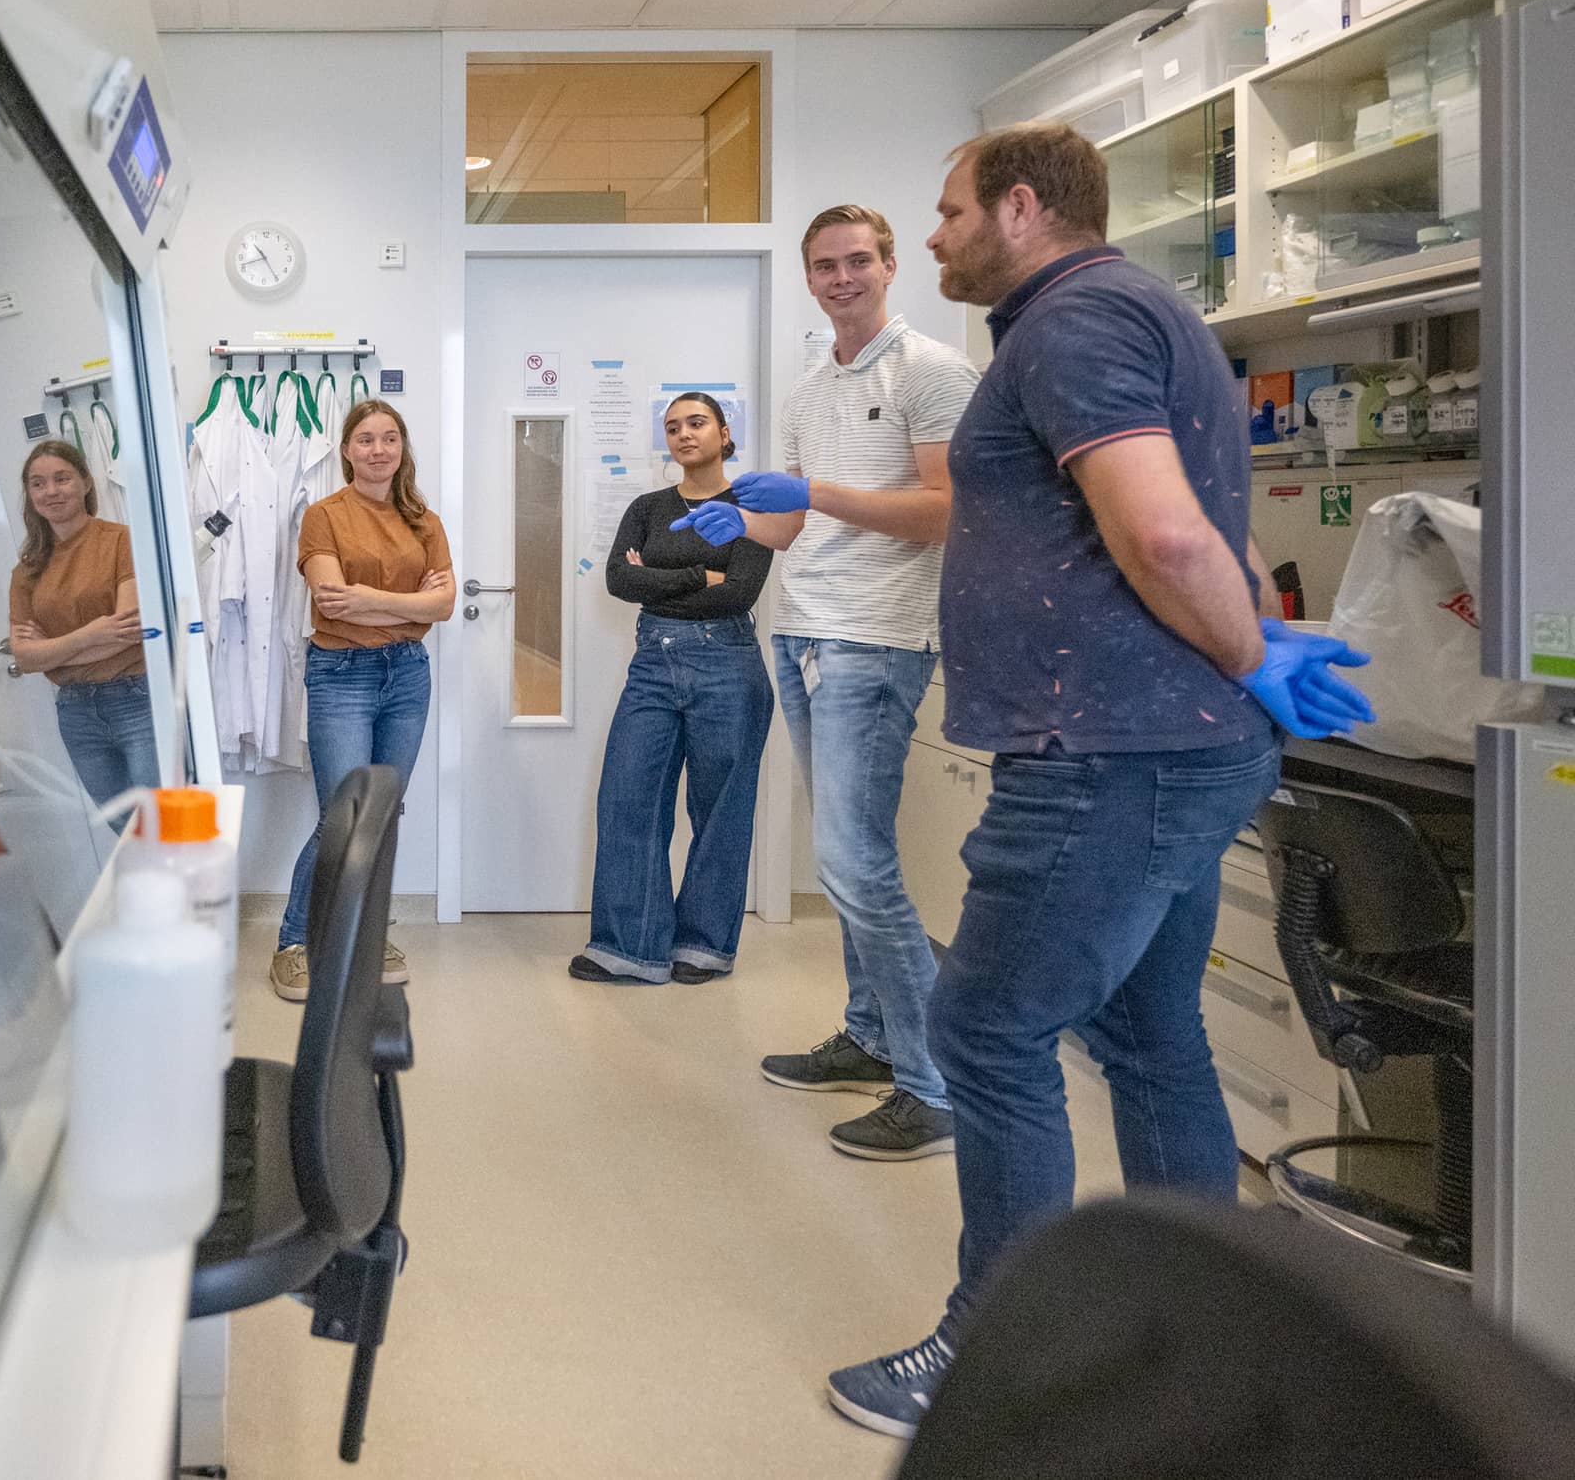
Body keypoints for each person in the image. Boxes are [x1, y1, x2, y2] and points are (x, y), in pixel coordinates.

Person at [820, 123, 1373, 1438]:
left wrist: (1246, 643)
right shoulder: (1140, 312)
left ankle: (1001, 1359)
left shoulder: (1069, 325)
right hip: (1170, 741)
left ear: (1019, 208)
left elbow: (1169, 529)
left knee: (989, 1028)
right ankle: (1215, 1331)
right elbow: (1208, 519)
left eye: (948, 211)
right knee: (1143, 1029)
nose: (936, 235)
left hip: (1107, 757)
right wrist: (1255, 649)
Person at [682, 203, 985, 1161]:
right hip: (803, 631)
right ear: (808, 277)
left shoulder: (932, 371)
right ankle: (869, 1036)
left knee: (857, 863)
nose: (841, 277)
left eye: (859, 260)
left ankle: (934, 1083)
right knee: (840, 856)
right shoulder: (811, 385)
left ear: (891, 266)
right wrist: (746, 522)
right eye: (825, 265)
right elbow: (793, 523)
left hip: (876, 639)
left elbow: (945, 512)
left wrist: (810, 494)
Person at [571, 393, 784, 985]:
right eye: (672, 427)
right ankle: (628, 947)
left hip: (729, 662)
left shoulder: (751, 505)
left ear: (723, 431)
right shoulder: (647, 506)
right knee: (628, 798)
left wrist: (655, 579)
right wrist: (697, 574)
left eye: (696, 423)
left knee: (721, 809)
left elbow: (738, 592)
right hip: (653, 663)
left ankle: (704, 945)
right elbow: (618, 578)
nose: (684, 434)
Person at [270, 400, 454, 1004]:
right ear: (347, 449)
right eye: (366, 439)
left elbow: (445, 606)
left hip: (407, 674)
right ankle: (296, 942)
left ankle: (367, 936)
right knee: (342, 814)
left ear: (403, 448)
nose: (379, 450)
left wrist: (372, 600)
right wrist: (408, 602)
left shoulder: (424, 520)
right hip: (341, 673)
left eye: (390, 438)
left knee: (384, 813)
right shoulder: (323, 516)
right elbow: (330, 599)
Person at [5, 440, 158, 809]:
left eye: (62, 479)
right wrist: (91, 634)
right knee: (124, 827)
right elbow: (23, 657)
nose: (51, 491)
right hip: (76, 713)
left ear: (86, 483)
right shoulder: (27, 569)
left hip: (137, 700)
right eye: (38, 483)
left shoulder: (122, 540)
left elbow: (127, 632)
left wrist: (51, 652)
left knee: (164, 826)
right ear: (29, 494)